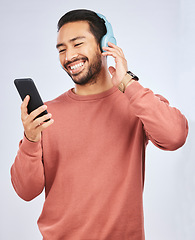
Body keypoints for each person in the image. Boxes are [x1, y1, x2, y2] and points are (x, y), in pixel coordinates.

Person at [11, 9, 188, 240]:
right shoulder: (47, 115)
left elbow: (175, 136)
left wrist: (127, 83)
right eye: (62, 49)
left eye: (77, 44)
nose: (68, 56)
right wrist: (30, 139)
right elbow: (25, 191)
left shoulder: (136, 102)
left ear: (106, 45)